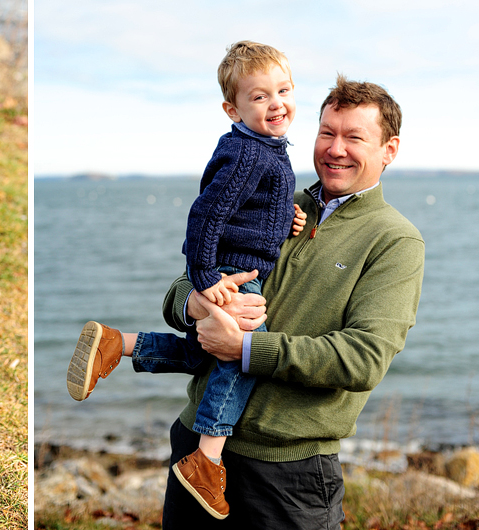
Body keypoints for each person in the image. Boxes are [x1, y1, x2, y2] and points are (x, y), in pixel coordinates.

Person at [159, 75, 425, 529]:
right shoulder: (275, 199)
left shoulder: (396, 241)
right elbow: (177, 292)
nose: (335, 148)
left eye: (354, 137)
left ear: (389, 150)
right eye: (328, 132)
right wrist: (201, 307)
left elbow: (362, 360)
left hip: (289, 474)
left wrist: (243, 348)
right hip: (195, 444)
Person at [66, 41, 306, 518]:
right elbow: (207, 215)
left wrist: (286, 219)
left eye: (283, 90)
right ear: (231, 108)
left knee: (204, 352)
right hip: (238, 273)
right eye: (259, 96)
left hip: (239, 262)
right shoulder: (250, 154)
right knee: (240, 355)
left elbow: (247, 210)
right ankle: (207, 458)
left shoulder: (265, 149)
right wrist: (205, 279)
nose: (275, 102)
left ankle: (119, 343)